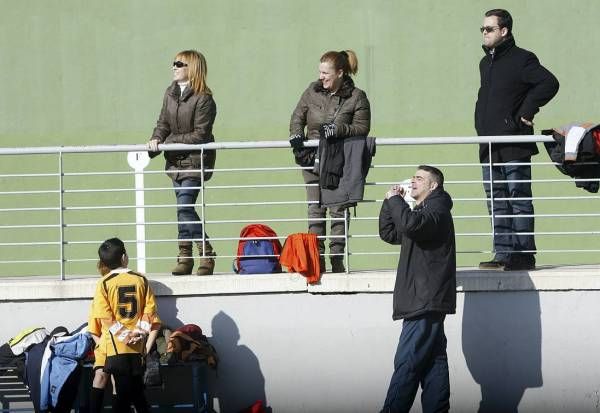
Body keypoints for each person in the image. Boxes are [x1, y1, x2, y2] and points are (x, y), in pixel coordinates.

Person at [475, 9, 559, 271]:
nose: (485, 33)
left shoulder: (523, 59)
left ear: (504, 31)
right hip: (489, 145)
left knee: (518, 198)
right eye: (483, 29)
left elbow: (549, 83)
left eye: (489, 29)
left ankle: (523, 255)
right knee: (496, 201)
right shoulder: (484, 62)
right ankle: (502, 254)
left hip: (513, 142)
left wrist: (525, 111)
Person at [379, 166, 456, 413]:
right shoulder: (423, 213)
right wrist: (390, 202)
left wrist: (396, 202)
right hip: (424, 298)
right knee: (434, 362)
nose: (413, 181)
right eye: (413, 177)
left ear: (433, 186)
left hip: (424, 300)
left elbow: (410, 225)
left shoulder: (436, 210)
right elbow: (390, 232)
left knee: (408, 362)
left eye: (419, 178)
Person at [289, 50, 371, 273]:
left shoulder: (357, 96)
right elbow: (297, 117)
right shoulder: (311, 91)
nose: (321, 77)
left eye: (326, 73)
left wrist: (339, 129)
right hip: (311, 158)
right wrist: (296, 135)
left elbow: (362, 128)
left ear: (340, 73)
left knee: (337, 208)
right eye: (320, 72)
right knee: (315, 208)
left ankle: (336, 257)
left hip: (338, 160)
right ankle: (317, 258)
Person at [147, 50, 217, 276]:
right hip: (175, 163)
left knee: (185, 207)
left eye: (180, 63)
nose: (174, 67)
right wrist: (157, 139)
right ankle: (185, 257)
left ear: (192, 68)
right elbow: (163, 123)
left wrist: (170, 141)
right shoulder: (170, 93)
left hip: (195, 162)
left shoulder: (204, 99)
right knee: (182, 210)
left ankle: (206, 252)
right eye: (173, 63)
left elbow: (200, 135)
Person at [88, 238, 161, 413]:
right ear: (124, 257)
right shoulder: (141, 279)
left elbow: (105, 317)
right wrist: (139, 331)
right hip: (137, 346)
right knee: (134, 392)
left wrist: (125, 335)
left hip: (116, 347)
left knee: (127, 393)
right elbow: (149, 309)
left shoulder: (104, 283)